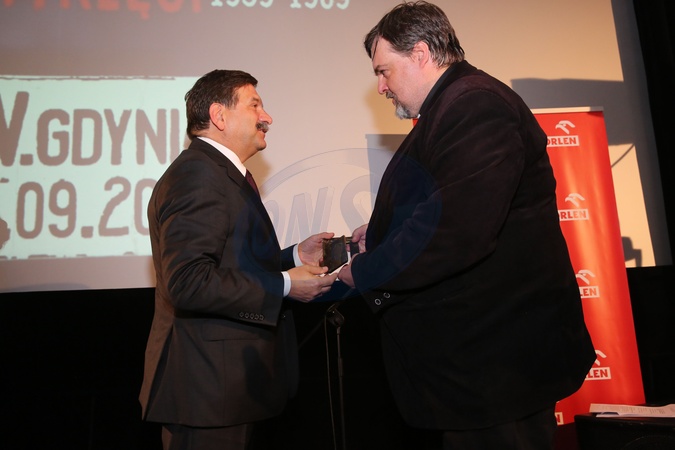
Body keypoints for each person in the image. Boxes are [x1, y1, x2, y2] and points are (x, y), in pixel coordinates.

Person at [337, 2, 596, 449]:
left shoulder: (474, 104)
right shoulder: (452, 105)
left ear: (420, 54)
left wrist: (364, 271)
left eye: (384, 71)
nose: (381, 87)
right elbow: (447, 203)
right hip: (482, 368)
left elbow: (456, 230)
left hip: (496, 365)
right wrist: (379, 232)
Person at [139, 69, 338, 450]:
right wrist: (286, 284)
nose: (267, 117)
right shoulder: (199, 175)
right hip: (208, 392)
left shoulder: (218, 173)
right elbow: (189, 282)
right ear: (219, 116)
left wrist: (295, 255)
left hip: (226, 390)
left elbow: (232, 264)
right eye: (255, 105)